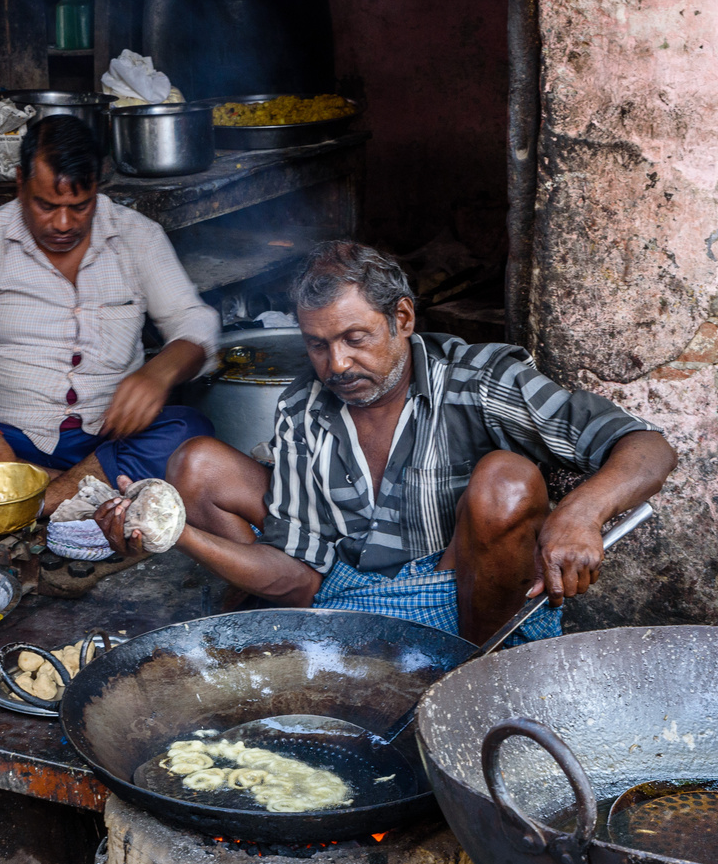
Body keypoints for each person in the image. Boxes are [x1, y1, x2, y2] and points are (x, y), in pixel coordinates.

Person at [97, 241, 678, 645]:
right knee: (192, 462)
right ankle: (317, 642)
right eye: (318, 345)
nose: (337, 364)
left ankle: (471, 671)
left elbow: (647, 447)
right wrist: (173, 535)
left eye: (355, 338)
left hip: (471, 603)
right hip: (348, 599)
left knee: (507, 477)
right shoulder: (303, 408)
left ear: (402, 318)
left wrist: (581, 512)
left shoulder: (479, 380)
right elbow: (294, 572)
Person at [0, 114, 219, 514]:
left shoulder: (137, 236)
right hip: (6, 438)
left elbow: (194, 321)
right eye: (46, 205)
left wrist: (160, 372)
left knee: (190, 432)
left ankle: (26, 497)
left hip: (109, 440)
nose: (63, 224)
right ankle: (98, 496)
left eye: (79, 206)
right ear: (20, 182)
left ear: (99, 184)